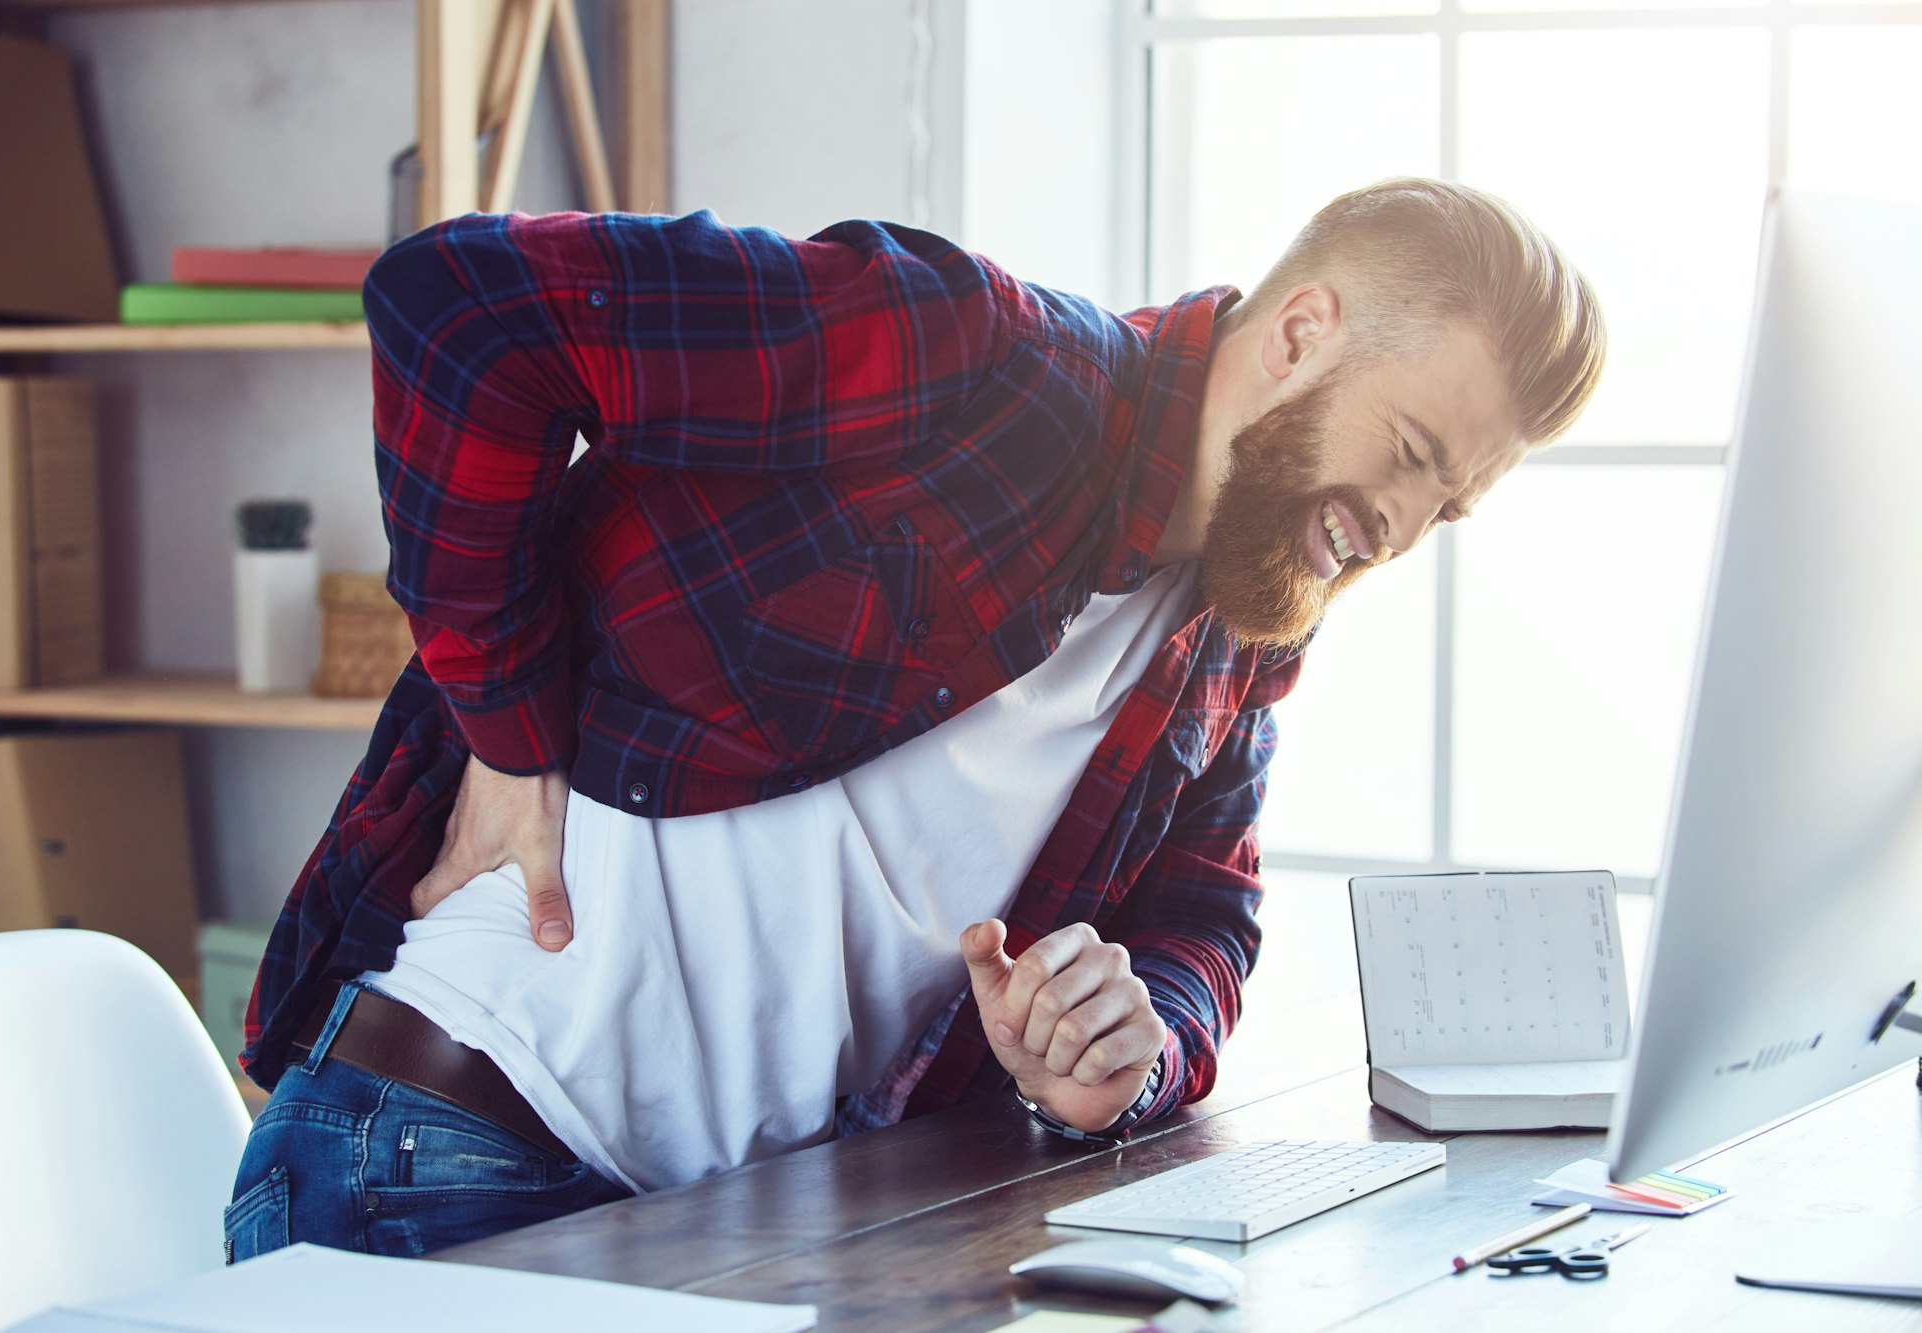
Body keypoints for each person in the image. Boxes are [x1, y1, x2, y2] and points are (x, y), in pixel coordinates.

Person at [224, 177, 1604, 1261]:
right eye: (1413, 456)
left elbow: (1204, 917)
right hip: (436, 1149)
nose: (1403, 532)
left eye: (1450, 505)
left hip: (711, 1227)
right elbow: (462, 303)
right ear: (1302, 334)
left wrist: (1130, 1048)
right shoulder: (983, 360)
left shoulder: (1235, 635)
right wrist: (506, 720)